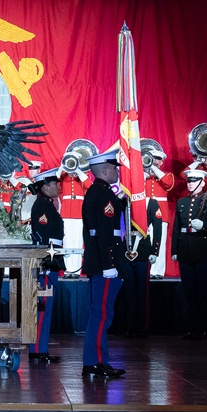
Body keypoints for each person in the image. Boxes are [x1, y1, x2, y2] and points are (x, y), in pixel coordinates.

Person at [79, 149, 126, 378]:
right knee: (101, 315)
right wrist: (109, 265)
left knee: (101, 313)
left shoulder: (98, 192)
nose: (117, 171)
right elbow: (105, 233)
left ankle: (96, 361)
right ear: (105, 170)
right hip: (104, 264)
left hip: (100, 262)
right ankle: (95, 362)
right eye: (115, 167)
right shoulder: (103, 195)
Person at [171, 168, 207, 340]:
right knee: (189, 293)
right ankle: (191, 327)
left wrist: (204, 226)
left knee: (203, 292)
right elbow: (177, 228)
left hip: (202, 251)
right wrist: (174, 250)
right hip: (185, 250)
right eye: (188, 180)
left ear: (202, 183)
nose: (190, 183)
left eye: (194, 180)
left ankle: (203, 328)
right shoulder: (181, 202)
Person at [28, 168, 65, 363]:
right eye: (54, 184)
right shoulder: (42, 206)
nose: (58, 186)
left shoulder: (47, 204)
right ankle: (37, 351)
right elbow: (41, 238)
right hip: (46, 263)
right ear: (44, 186)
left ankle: (40, 349)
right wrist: (45, 262)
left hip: (52, 260)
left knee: (46, 308)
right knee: (42, 308)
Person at [123, 197, 163, 337]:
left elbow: (158, 227)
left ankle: (141, 328)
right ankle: (130, 326)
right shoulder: (125, 199)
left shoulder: (150, 203)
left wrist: (154, 251)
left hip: (143, 249)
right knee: (129, 293)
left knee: (142, 293)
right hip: (127, 250)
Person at [144, 146, 175, 279]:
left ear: (161, 162)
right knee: (145, 241)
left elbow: (168, 184)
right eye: (152, 158)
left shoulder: (167, 175)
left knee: (159, 242)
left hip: (160, 213)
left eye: (158, 159)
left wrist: (154, 168)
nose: (155, 161)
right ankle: (147, 269)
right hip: (145, 211)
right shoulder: (145, 176)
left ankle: (158, 271)